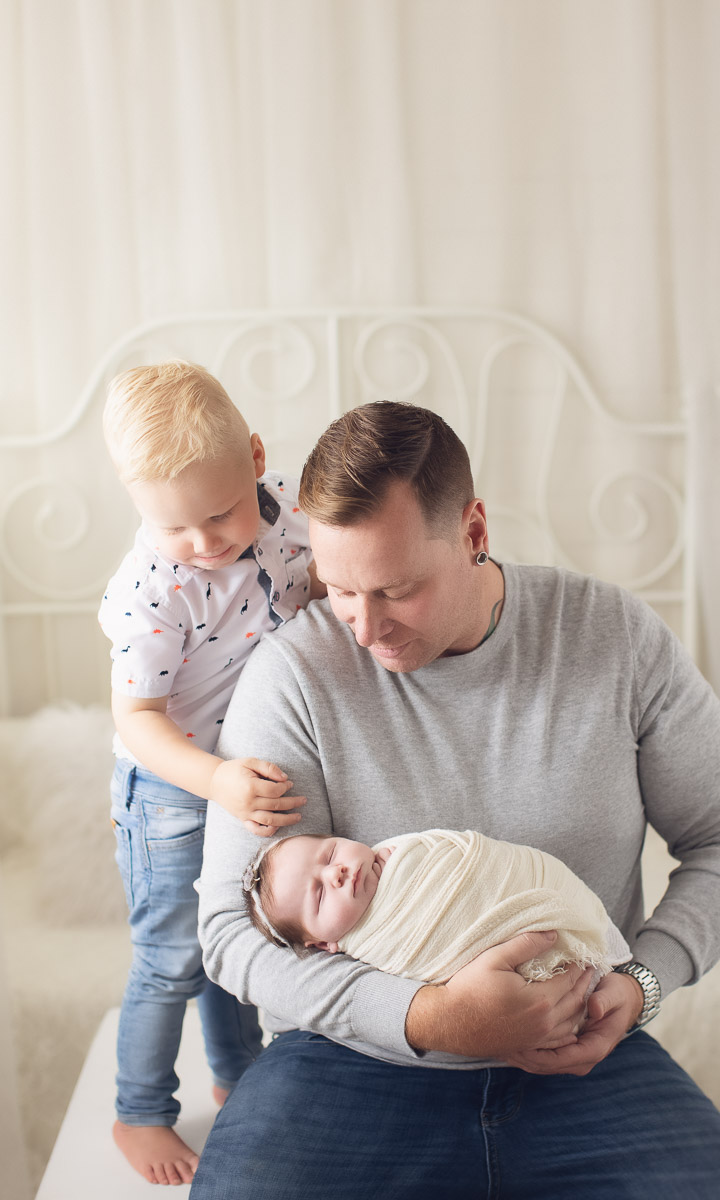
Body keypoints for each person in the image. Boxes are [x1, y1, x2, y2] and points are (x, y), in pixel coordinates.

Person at [192, 400, 720, 1199]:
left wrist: (643, 983)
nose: (364, 630)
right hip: (347, 1056)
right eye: (339, 590)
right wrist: (429, 1017)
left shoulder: (609, 638)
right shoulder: (294, 676)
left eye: (396, 590)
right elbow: (230, 929)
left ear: (474, 532)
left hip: (583, 1046)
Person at [98, 360, 325, 1186]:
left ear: (258, 456)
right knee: (172, 958)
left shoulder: (298, 513)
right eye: (175, 526)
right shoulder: (157, 588)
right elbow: (138, 720)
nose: (204, 543)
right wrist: (215, 782)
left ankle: (240, 1075)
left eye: (221, 513)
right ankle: (139, 1111)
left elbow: (326, 580)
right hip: (169, 785)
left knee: (238, 933)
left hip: (241, 772)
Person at [243, 829, 631, 990]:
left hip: (546, 900)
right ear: (325, 945)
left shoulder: (408, 851)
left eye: (330, 853)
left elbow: (482, 863)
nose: (337, 873)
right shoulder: (374, 942)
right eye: (319, 896)